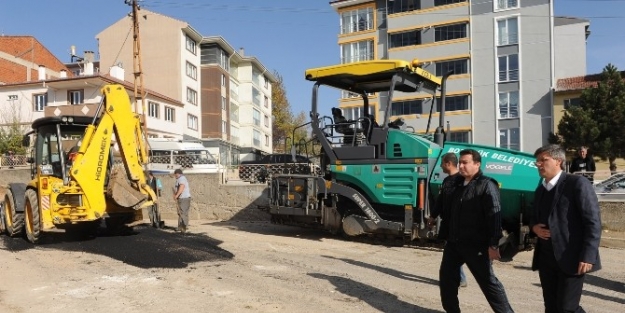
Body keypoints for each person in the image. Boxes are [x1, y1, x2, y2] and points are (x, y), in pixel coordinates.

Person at [437, 149, 513, 313]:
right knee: (447, 281)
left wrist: (493, 245)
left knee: (489, 284)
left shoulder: (486, 185)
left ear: (477, 164)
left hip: (476, 246)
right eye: (460, 162)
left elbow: (494, 216)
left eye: (465, 162)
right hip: (454, 243)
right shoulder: (456, 185)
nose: (461, 166)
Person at [531, 144, 602, 313]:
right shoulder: (541, 189)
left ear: (558, 161)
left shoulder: (577, 183)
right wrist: (534, 228)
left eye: (543, 160)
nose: (538, 164)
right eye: (537, 161)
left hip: (572, 257)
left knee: (567, 308)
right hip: (547, 259)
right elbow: (534, 217)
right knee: (551, 307)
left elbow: (593, 221)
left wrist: (588, 255)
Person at [428, 152, 468, 288]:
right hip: (448, 225)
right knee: (453, 252)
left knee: (456, 252)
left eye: (442, 163)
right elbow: (440, 202)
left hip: (459, 225)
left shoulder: (462, 181)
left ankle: (457, 278)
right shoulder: (446, 181)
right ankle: (458, 278)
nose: (440, 166)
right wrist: (433, 216)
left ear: (448, 164)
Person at [173, 168, 191, 233]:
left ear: (177, 174)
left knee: (183, 213)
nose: (174, 176)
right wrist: (176, 195)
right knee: (180, 212)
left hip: (184, 198)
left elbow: (182, 187)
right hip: (181, 198)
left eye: (175, 175)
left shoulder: (182, 178)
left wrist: (177, 195)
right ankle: (180, 226)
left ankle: (184, 227)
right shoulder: (179, 179)